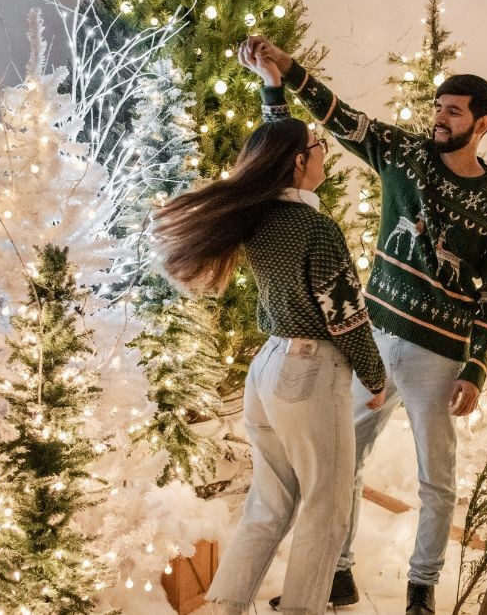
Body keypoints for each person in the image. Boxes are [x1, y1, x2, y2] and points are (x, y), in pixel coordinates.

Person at [241, 36, 487, 615]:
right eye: (438, 107)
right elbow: (339, 116)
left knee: (435, 479)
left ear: (482, 123)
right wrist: (285, 71)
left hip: (438, 357)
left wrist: (477, 366)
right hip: (372, 336)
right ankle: (337, 576)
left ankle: (422, 589)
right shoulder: (403, 154)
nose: (439, 118)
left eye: (453, 111)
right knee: (345, 462)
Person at [152, 67, 387, 613]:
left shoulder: (259, 216)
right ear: (299, 164)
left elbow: (274, 143)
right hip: (310, 373)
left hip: (268, 372)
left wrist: (272, 91)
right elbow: (346, 315)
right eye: (317, 147)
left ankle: (225, 606)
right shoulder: (315, 229)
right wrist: (374, 377)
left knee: (268, 505)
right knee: (327, 511)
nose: (324, 152)